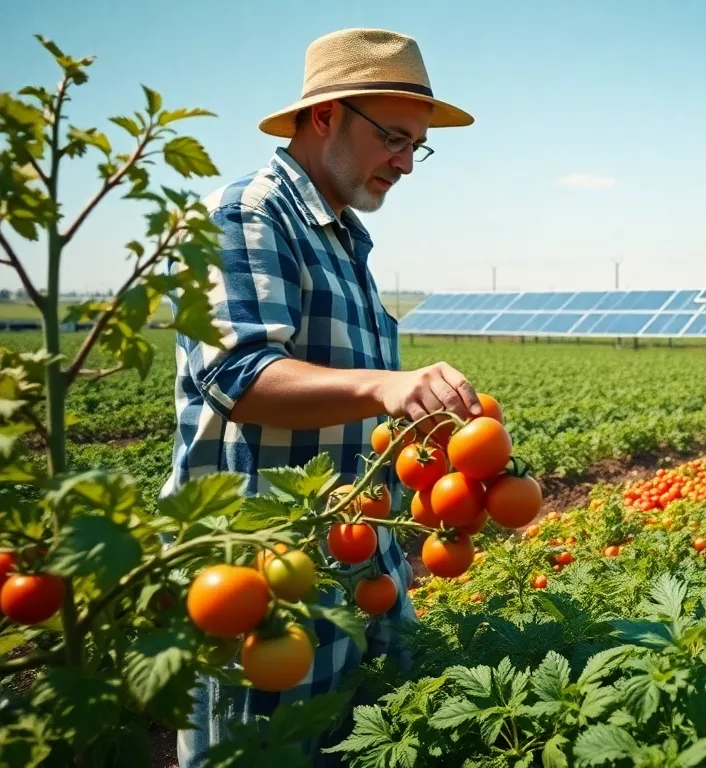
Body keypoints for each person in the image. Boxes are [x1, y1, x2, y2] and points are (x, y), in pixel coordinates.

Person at [162, 27, 480, 766]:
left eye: (417, 146)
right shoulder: (242, 213)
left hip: (352, 573)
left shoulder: (345, 242)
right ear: (326, 116)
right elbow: (238, 375)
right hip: (264, 588)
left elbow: (357, 421)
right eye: (394, 138)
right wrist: (384, 384)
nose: (406, 163)